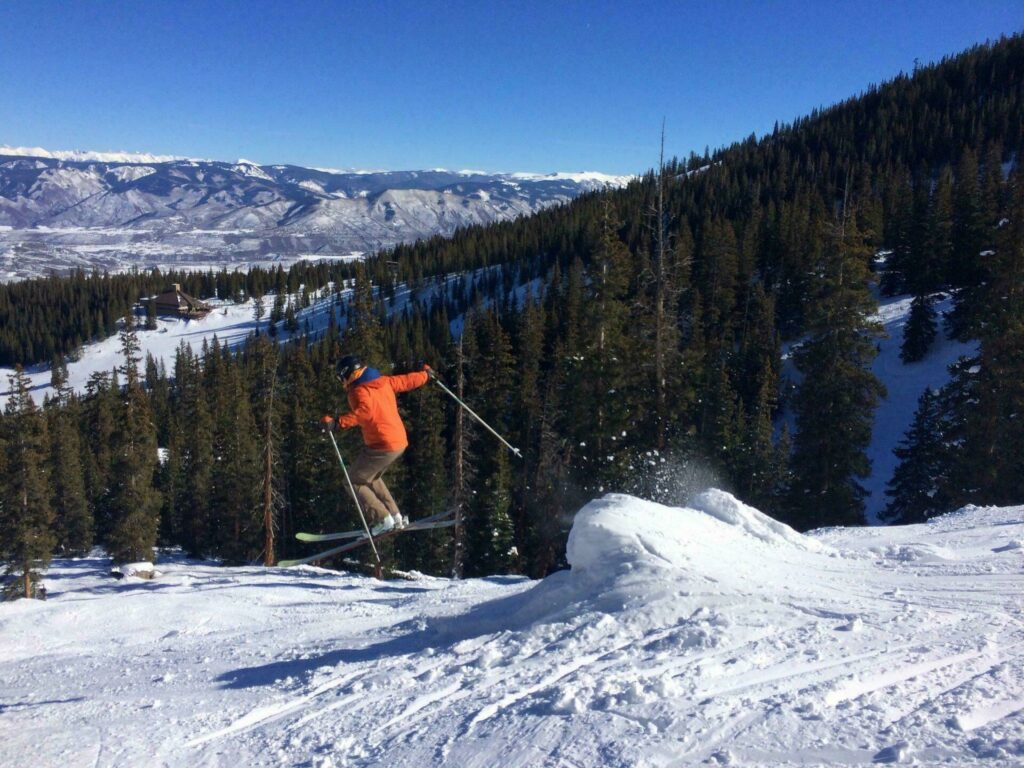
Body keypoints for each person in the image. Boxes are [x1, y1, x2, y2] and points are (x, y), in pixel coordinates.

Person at [321, 355, 431, 535]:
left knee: (352, 481)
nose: (341, 381)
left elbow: (365, 412)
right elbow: (405, 381)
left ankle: (382, 519)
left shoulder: (358, 390)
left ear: (346, 374)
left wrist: (337, 423)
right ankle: (394, 516)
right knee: (371, 477)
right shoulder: (382, 381)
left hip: (382, 444)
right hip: (398, 442)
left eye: (340, 377)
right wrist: (425, 375)